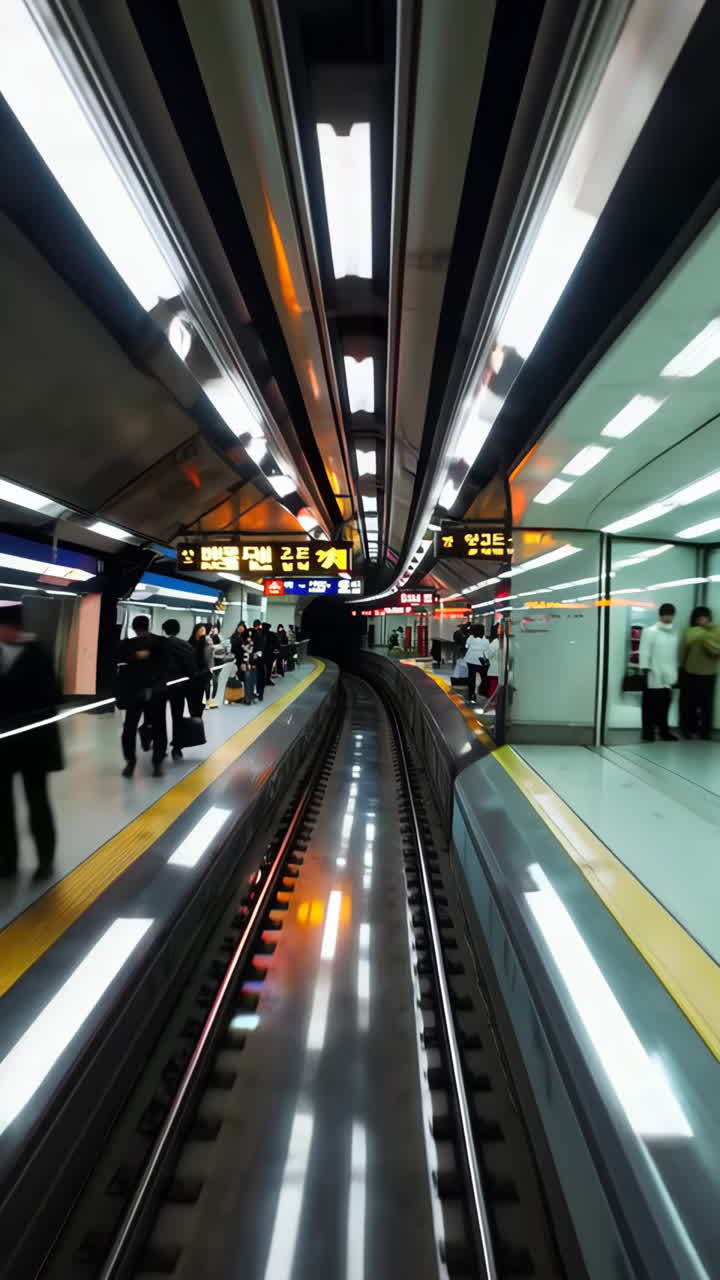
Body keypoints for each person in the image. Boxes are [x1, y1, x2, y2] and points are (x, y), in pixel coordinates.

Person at [0, 602, 62, 880]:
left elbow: (54, 697)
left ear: (12, 627)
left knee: (38, 802)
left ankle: (45, 861)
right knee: (2, 807)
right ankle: (7, 861)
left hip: (35, 744)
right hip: (3, 746)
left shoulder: (39, 654)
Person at [116, 615, 169, 778]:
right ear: (148, 625)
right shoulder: (161, 642)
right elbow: (165, 665)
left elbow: (120, 662)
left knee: (129, 728)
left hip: (134, 693)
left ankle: (130, 763)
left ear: (133, 627)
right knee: (159, 727)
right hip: (156, 692)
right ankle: (157, 763)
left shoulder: (127, 644)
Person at [638, 603, 679, 742]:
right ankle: (647, 732)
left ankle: (664, 731)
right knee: (649, 706)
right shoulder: (650, 631)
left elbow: (674, 654)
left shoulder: (674, 632)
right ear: (660, 615)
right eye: (666, 614)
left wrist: (674, 671)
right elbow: (644, 650)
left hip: (668, 674)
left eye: (670, 614)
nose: (668, 617)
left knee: (664, 705)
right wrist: (645, 668)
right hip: (653, 673)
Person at [679, 606, 720, 739]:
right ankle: (689, 729)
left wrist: (705, 634)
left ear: (709, 618)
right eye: (699, 618)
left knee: (706, 705)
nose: (701, 620)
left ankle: (705, 732)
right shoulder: (689, 631)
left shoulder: (717, 631)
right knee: (688, 704)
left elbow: (715, 651)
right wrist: (681, 666)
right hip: (690, 672)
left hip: (709, 673)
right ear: (695, 619)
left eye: (704, 617)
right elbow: (683, 651)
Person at [161, 619, 196, 759]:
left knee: (159, 717)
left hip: (162, 687)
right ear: (178, 630)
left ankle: (161, 747)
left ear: (164, 630)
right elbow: (191, 668)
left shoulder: (161, 644)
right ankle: (177, 747)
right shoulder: (186, 645)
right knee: (177, 716)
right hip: (180, 687)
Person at [188, 623, 214, 716]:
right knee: (191, 704)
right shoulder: (189, 643)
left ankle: (197, 719)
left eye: (204, 631)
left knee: (198, 704)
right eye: (200, 630)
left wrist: (208, 644)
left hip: (201, 677)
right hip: (191, 679)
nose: (202, 633)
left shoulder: (206, 644)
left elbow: (208, 660)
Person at [464, 624, 491, 703]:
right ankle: (484, 693)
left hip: (470, 660)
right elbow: (487, 651)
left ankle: (471, 696)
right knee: (484, 677)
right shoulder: (486, 641)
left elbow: (466, 646)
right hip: (480, 661)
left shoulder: (470, 638)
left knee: (471, 678)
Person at [231, 622, 256, 704]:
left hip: (245, 663)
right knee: (248, 680)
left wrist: (244, 662)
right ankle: (249, 698)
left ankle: (247, 698)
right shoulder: (239, 638)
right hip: (245, 663)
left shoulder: (241, 639)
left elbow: (246, 652)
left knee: (247, 680)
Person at [206, 624, 227, 708]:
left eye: (214, 629)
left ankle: (212, 698)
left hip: (217, 662)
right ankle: (210, 699)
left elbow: (222, 649)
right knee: (212, 680)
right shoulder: (209, 638)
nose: (213, 630)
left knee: (214, 679)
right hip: (212, 662)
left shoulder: (219, 637)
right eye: (212, 629)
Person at [252, 620, 267, 702]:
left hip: (258, 659)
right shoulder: (263, 634)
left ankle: (258, 693)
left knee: (258, 678)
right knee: (261, 677)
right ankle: (260, 694)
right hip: (262, 659)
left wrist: (254, 657)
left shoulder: (258, 634)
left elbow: (257, 648)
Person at [486, 624, 501, 700]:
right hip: (496, 672)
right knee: (495, 691)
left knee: (493, 691)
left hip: (494, 671)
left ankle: (493, 704)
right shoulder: (496, 643)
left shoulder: (494, 643)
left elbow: (487, 655)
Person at [262, 622, 278, 687]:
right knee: (269, 668)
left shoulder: (260, 634)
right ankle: (267, 680)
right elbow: (276, 643)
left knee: (262, 669)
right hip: (270, 654)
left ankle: (262, 681)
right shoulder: (272, 634)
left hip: (262, 655)